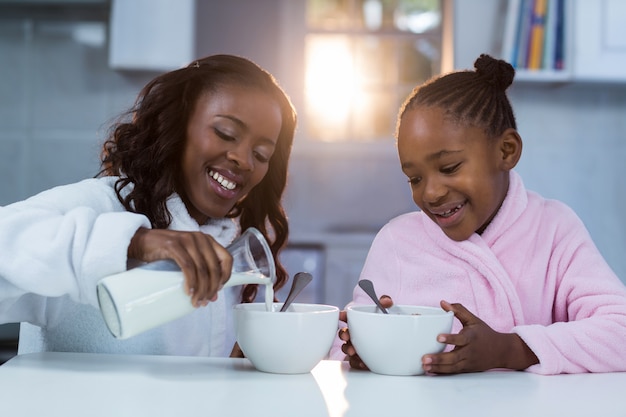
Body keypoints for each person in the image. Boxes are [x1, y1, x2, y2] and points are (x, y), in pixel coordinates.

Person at [330, 54, 626, 375]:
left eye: (449, 167)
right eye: (415, 178)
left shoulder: (553, 229)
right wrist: (360, 352)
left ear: (506, 151)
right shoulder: (396, 242)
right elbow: (341, 347)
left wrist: (511, 348)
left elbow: (619, 331)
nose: (430, 193)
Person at [0, 54, 296, 356]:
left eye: (260, 155)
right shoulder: (99, 206)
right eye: (225, 133)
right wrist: (134, 243)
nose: (244, 160)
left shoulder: (226, 252)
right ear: (178, 125)